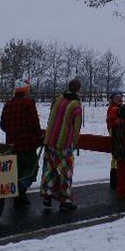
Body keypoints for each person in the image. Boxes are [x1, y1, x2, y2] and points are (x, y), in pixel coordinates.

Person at [41, 79, 83, 211]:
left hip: (50, 140)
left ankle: (47, 195)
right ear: (78, 90)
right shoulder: (76, 105)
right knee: (65, 172)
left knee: (49, 169)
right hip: (64, 143)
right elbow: (76, 127)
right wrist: (74, 143)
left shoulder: (58, 100)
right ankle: (65, 201)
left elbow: (51, 118)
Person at [0, 78, 42, 207]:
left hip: (12, 145)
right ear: (25, 90)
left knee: (17, 170)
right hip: (27, 144)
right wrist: (39, 136)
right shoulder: (28, 104)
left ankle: (18, 196)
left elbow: (2, 125)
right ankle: (20, 190)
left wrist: (12, 132)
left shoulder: (8, 104)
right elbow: (34, 123)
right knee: (31, 169)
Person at [106, 92, 124, 188]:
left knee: (116, 156)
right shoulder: (113, 108)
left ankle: (116, 180)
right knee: (116, 156)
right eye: (117, 97)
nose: (119, 99)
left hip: (118, 133)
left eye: (120, 97)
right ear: (113, 99)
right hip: (116, 133)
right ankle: (115, 180)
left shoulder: (118, 107)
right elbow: (113, 122)